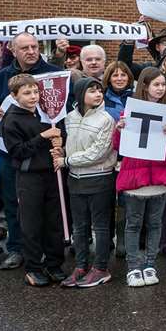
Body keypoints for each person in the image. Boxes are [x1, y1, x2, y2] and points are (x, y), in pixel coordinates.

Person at [0, 34, 63, 270]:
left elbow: (61, 110)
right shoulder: (1, 76)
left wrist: (60, 140)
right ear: (13, 51)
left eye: (34, 47)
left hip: (46, 155)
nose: (31, 51)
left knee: (50, 209)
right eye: (24, 48)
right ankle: (17, 249)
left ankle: (50, 252)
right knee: (14, 203)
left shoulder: (51, 73)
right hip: (12, 153)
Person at [0, 73, 66, 288]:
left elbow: (53, 138)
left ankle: (54, 264)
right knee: (32, 223)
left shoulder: (45, 114)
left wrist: (58, 144)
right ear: (14, 95)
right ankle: (33, 268)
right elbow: (17, 152)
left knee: (54, 221)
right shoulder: (11, 119)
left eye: (35, 91)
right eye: (27, 93)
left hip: (51, 173)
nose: (33, 96)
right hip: (29, 177)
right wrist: (43, 137)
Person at [116, 69, 166, 288]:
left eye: (163, 84)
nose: (161, 88)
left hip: (161, 174)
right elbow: (118, 146)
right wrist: (120, 130)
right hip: (135, 175)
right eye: (156, 84)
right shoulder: (130, 110)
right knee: (133, 222)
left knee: (154, 222)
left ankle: (151, 263)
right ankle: (133, 266)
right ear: (144, 86)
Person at [60, 79, 116, 288]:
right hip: (75, 178)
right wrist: (62, 151)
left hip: (99, 177)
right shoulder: (69, 118)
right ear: (80, 93)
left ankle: (101, 268)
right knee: (79, 226)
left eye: (100, 91)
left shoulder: (106, 119)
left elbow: (99, 153)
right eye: (92, 91)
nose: (98, 94)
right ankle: (81, 266)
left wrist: (66, 161)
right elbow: (70, 145)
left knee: (100, 227)